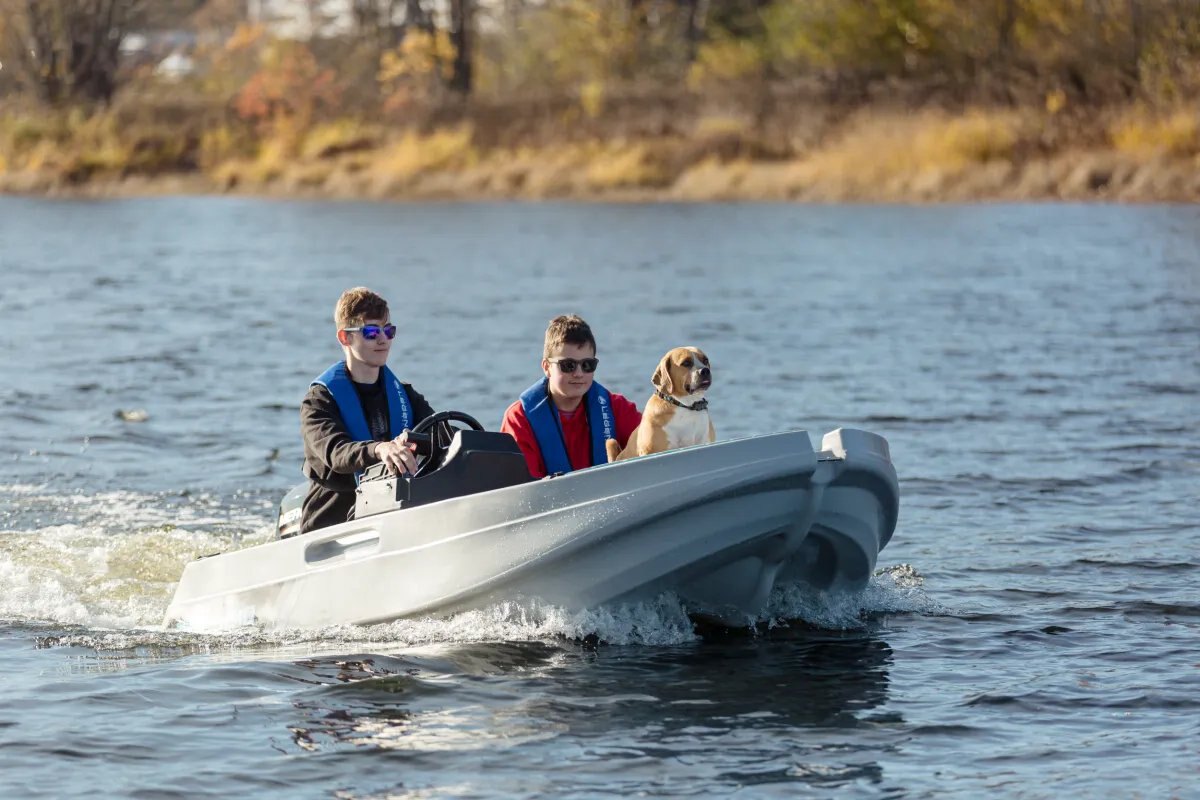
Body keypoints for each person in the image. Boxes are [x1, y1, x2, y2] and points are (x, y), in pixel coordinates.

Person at [298, 287, 436, 534]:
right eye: (371, 332)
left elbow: (443, 435)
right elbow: (337, 453)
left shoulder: (406, 395)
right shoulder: (318, 401)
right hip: (331, 529)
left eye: (388, 331)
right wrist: (381, 449)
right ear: (345, 338)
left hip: (394, 520)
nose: (383, 339)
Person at [501, 314, 641, 479]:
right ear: (547, 367)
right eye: (568, 365)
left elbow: (656, 448)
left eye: (587, 365)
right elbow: (521, 487)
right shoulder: (519, 419)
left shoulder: (618, 408)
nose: (578, 373)